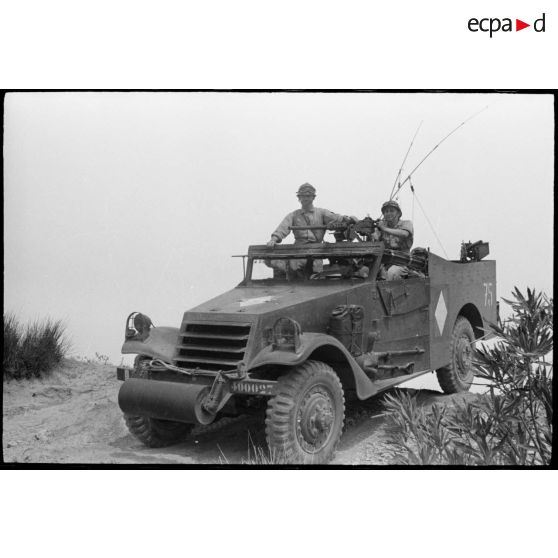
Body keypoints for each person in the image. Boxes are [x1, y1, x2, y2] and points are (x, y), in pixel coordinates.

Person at [266, 183, 351, 277]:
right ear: (299, 198)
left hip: (316, 253)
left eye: (308, 196)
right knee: (293, 274)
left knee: (316, 279)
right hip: (298, 252)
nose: (305, 198)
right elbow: (283, 227)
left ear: (313, 197)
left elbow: (337, 218)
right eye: (302, 196)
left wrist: (348, 219)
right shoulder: (294, 215)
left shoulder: (321, 213)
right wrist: (274, 239)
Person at [374, 200, 414, 280]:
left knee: (392, 273)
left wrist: (384, 228)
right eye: (386, 211)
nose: (388, 213)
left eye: (392, 211)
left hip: (402, 262)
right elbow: (375, 243)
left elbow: (404, 234)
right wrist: (374, 233)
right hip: (384, 263)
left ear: (398, 213)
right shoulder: (381, 228)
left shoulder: (406, 223)